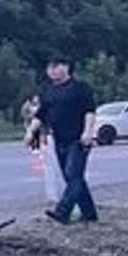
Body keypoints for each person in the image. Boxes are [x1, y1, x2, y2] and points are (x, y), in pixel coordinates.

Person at [28, 58, 99, 224]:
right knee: (73, 179)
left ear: (66, 67)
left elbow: (89, 111)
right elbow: (41, 114)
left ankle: (62, 212)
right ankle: (89, 214)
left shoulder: (80, 88)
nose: (52, 70)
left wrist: (88, 132)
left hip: (78, 139)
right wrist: (31, 132)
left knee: (73, 175)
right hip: (59, 139)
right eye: (49, 67)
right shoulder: (47, 91)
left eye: (56, 66)